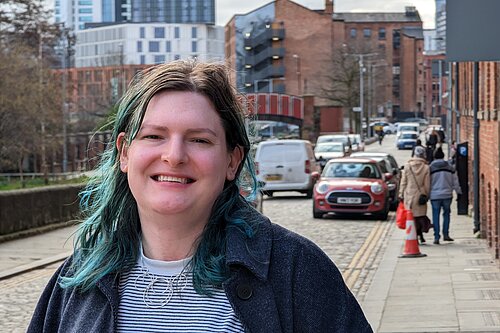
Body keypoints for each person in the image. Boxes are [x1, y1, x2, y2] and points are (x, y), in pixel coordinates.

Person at [28, 60, 372, 332]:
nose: (174, 156)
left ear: (232, 161)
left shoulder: (295, 268)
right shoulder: (79, 278)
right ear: (124, 153)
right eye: (153, 136)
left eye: (199, 139)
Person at [429, 147, 462, 244]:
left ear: (434, 157)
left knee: (435, 215)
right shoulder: (450, 167)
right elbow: (455, 182)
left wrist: (427, 194)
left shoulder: (430, 168)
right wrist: (458, 192)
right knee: (446, 214)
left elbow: (427, 183)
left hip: (434, 195)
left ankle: (436, 236)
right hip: (447, 194)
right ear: (443, 156)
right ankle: (446, 234)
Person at [399, 146, 431, 243]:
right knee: (420, 217)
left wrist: (401, 193)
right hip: (420, 195)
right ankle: (420, 235)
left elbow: (403, 182)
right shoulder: (426, 167)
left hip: (409, 195)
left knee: (411, 218)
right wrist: (426, 195)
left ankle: (413, 236)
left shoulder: (407, 166)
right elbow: (427, 184)